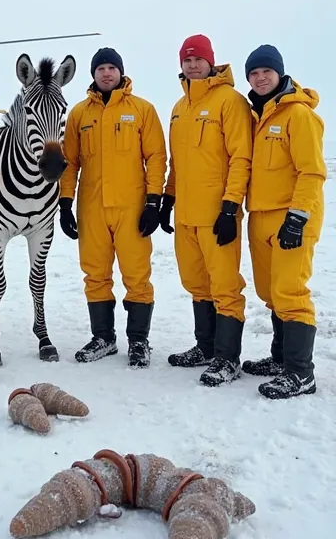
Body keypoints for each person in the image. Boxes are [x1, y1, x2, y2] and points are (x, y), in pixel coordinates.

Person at [59, 47, 167, 367]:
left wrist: (153, 201)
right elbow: (71, 162)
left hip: (131, 207)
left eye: (111, 68)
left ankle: (138, 341)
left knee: (136, 275)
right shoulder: (79, 114)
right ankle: (103, 338)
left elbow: (156, 158)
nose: (106, 73)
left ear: (121, 72)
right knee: (95, 274)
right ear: (93, 74)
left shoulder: (142, 110)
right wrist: (65, 203)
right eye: (101, 68)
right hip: (91, 208)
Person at [160, 35, 252, 386]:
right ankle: (207, 348)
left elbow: (241, 157)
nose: (193, 65)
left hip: (218, 214)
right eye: (188, 60)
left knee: (225, 286)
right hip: (186, 214)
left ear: (211, 62)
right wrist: (168, 198)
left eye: (199, 59)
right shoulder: (179, 108)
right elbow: (177, 162)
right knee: (197, 284)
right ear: (181, 65)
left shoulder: (230, 101)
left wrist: (231, 206)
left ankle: (228, 359)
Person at [242, 44, 326, 399]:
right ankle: (280, 359)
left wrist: (297, 218)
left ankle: (300, 373)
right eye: (254, 74)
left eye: (266, 72)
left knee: (291, 293)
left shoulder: (298, 115)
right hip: (259, 215)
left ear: (280, 74)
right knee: (271, 293)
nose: (261, 78)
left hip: (291, 217)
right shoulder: (256, 117)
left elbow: (312, 171)